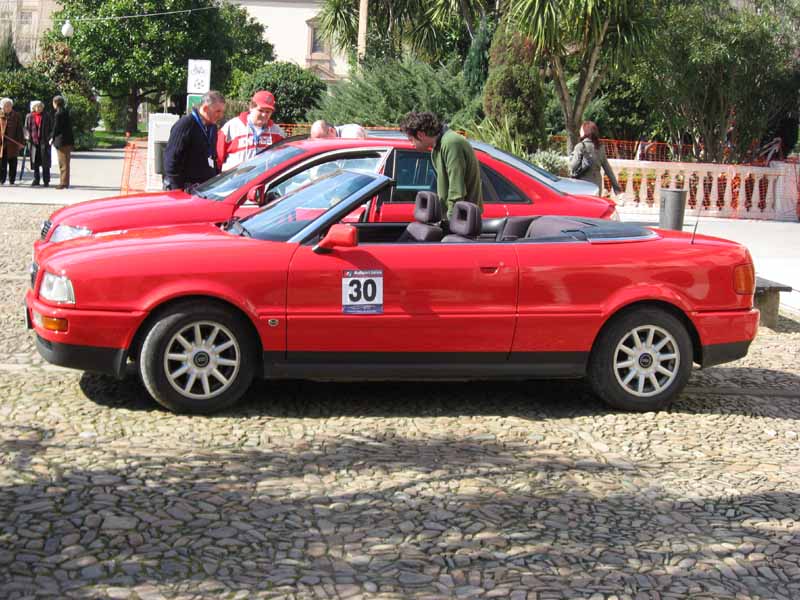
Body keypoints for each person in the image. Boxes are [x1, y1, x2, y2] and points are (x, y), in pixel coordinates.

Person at [398, 111, 482, 218]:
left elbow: (457, 189)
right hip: (455, 217)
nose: (412, 145)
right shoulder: (438, 147)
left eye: (411, 140)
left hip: (464, 218)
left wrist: (452, 219)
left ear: (420, 135)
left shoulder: (451, 143)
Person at [163, 90, 225, 190]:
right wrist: (177, 189)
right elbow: (171, 160)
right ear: (205, 108)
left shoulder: (212, 128)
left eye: (222, 112)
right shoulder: (185, 125)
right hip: (185, 188)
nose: (221, 116)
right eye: (218, 111)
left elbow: (212, 157)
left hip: (204, 188)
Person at [216, 90, 285, 171]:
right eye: (261, 110)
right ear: (251, 107)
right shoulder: (232, 127)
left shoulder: (278, 133)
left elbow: (283, 158)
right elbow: (218, 157)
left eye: (268, 112)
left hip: (264, 178)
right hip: (235, 178)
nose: (264, 115)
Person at [568, 121, 621, 197]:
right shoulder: (600, 148)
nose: (580, 131)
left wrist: (571, 158)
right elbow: (608, 169)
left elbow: (573, 166)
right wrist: (617, 188)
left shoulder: (580, 146)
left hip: (582, 184)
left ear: (585, 132)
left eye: (581, 129)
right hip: (597, 184)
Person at [24, 100, 53, 187]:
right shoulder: (29, 116)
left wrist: (50, 138)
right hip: (33, 142)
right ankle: (36, 179)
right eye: (37, 106)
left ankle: (46, 180)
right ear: (33, 108)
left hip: (44, 141)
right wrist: (27, 137)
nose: (39, 108)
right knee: (35, 162)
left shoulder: (47, 116)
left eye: (40, 106)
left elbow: (51, 128)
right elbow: (26, 128)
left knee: (45, 162)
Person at [50, 95, 75, 189]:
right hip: (68, 140)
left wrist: (51, 137)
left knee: (63, 163)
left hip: (61, 141)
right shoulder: (66, 112)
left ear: (55, 103)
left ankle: (63, 183)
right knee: (66, 162)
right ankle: (66, 182)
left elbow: (56, 128)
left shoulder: (58, 114)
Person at [0, 98, 25, 186]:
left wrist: (21, 142)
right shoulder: (0, 115)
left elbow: (20, 130)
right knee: (2, 163)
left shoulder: (16, 116)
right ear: (2, 106)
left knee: (13, 162)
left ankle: (12, 180)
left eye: (9, 105)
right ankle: (1, 180)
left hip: (13, 143)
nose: (8, 107)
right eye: (6, 106)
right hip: (2, 143)